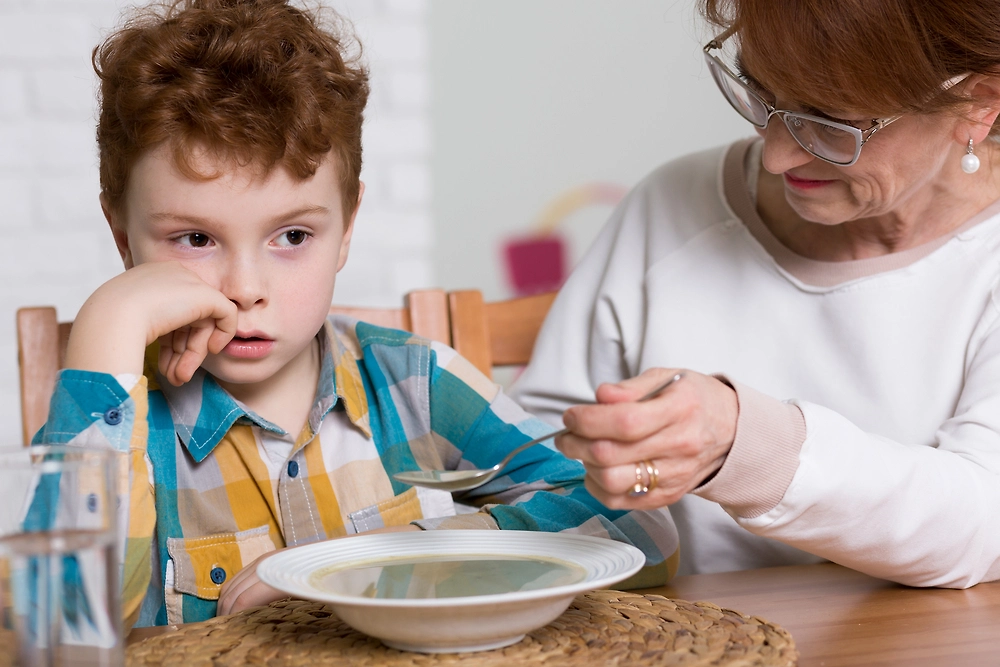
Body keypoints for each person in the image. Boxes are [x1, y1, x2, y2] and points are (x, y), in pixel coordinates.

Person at [35, 0, 678, 629]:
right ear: (123, 237)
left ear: (346, 228)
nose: (245, 289)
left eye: (292, 236)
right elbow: (61, 621)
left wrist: (392, 555)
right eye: (196, 239)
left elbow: (641, 526)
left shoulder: (413, 385)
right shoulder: (123, 422)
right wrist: (107, 327)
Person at [512, 0, 1000, 588]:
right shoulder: (675, 201)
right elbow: (535, 446)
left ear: (979, 104)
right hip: (674, 629)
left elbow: (985, 523)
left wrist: (745, 444)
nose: (775, 155)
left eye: (830, 122)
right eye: (762, 96)